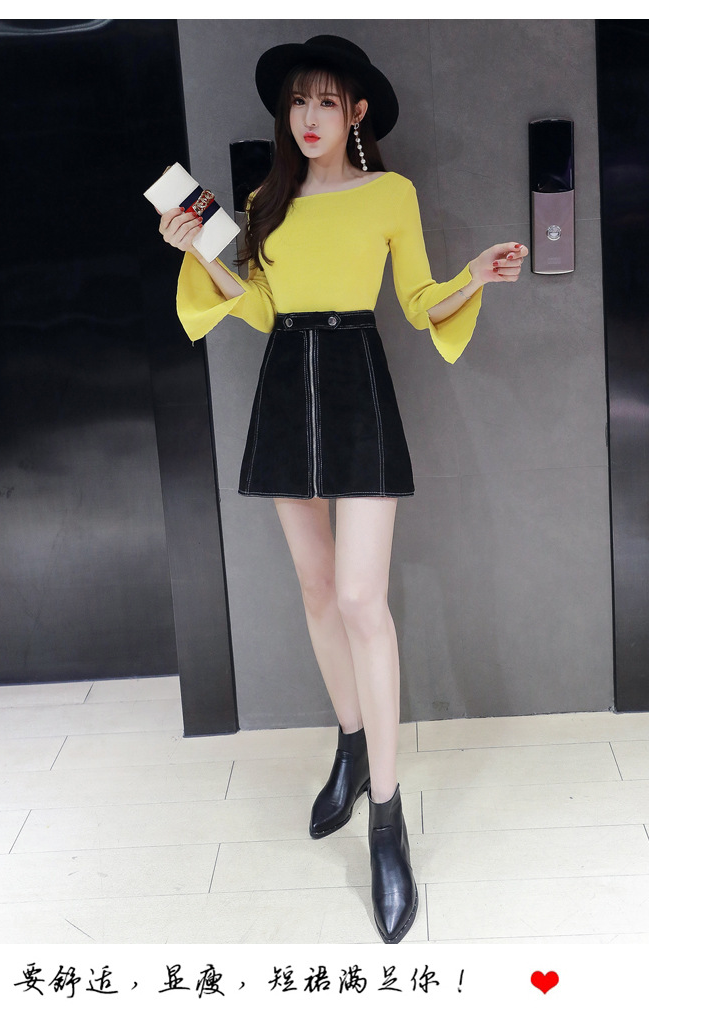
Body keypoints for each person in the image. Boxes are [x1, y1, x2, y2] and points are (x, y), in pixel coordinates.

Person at [159, 34, 527, 944]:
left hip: (357, 383)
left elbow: (418, 302)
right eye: (298, 102)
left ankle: (387, 820)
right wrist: (200, 252)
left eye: (327, 101)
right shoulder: (262, 203)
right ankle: (352, 747)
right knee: (318, 590)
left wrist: (473, 277)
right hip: (288, 384)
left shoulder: (391, 193)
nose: (310, 117)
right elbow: (258, 307)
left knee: (364, 599)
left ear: (357, 112)